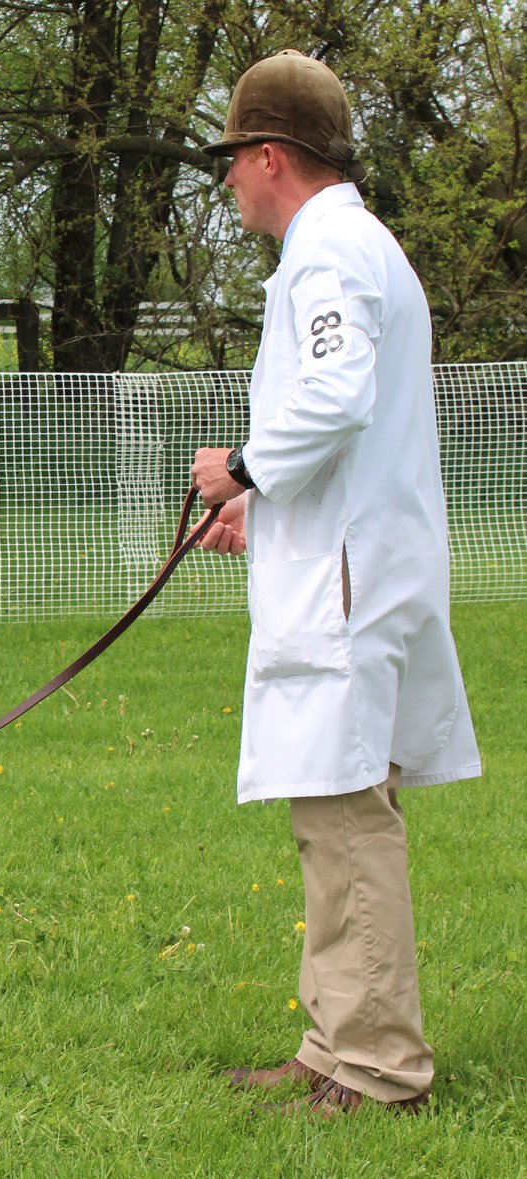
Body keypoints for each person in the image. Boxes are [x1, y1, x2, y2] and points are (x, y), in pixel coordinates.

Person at [192, 50, 482, 1118]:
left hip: (349, 587)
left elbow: (338, 395)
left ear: (272, 156)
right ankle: (334, 1041)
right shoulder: (356, 248)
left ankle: (375, 1066)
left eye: (233, 160)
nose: (228, 182)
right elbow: (346, 420)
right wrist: (258, 505)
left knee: (346, 814)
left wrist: (245, 467)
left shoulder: (326, 256)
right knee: (333, 813)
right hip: (364, 564)